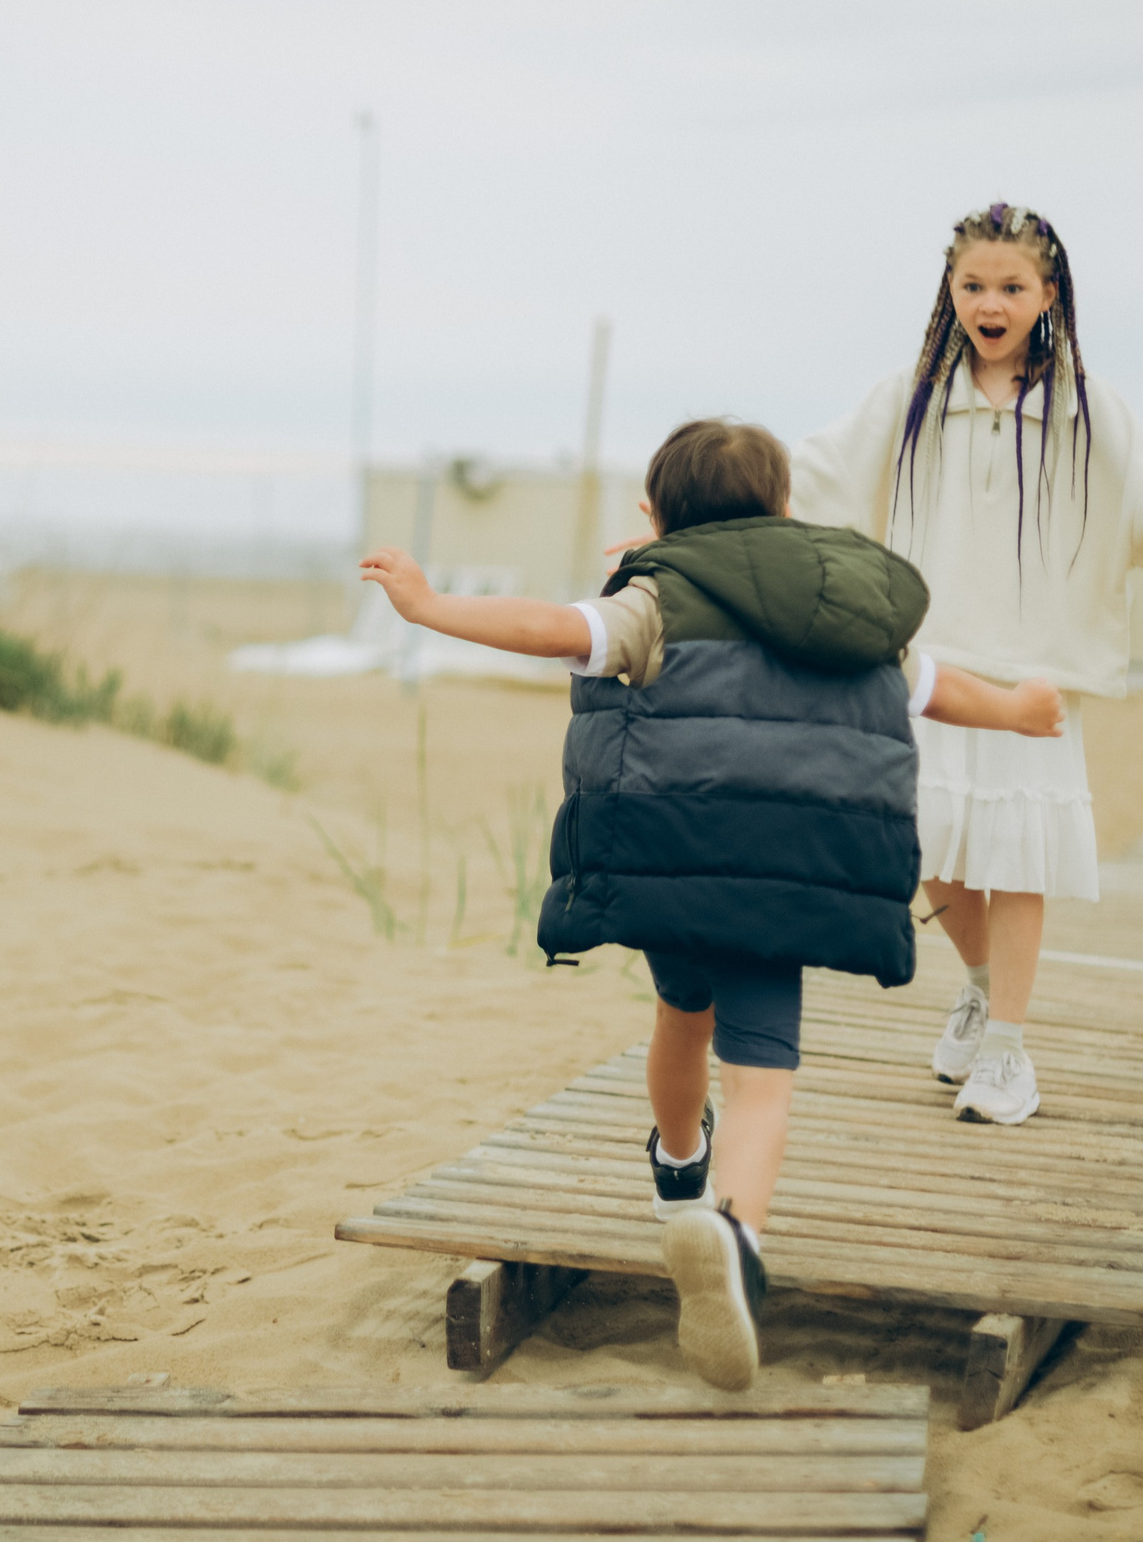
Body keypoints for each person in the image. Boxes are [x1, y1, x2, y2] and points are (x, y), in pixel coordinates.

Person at [360, 416, 1063, 1390]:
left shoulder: (651, 600)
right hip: (792, 877)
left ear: (657, 516)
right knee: (762, 1082)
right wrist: (1023, 711)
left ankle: (677, 1169)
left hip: (673, 860)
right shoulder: (848, 614)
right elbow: (936, 688)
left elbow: (553, 628)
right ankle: (735, 1234)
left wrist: (431, 607)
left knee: (680, 1019)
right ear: (782, 509)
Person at [793, 203, 1143, 1128]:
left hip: (1036, 676)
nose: (989, 303)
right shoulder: (910, 399)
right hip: (928, 669)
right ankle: (977, 985)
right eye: (972, 285)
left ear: (1048, 295)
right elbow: (812, 476)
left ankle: (1007, 1052)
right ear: (949, 292)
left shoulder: (1089, 414)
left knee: (1015, 861)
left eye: (1010, 286)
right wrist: (697, 514)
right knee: (923, 847)